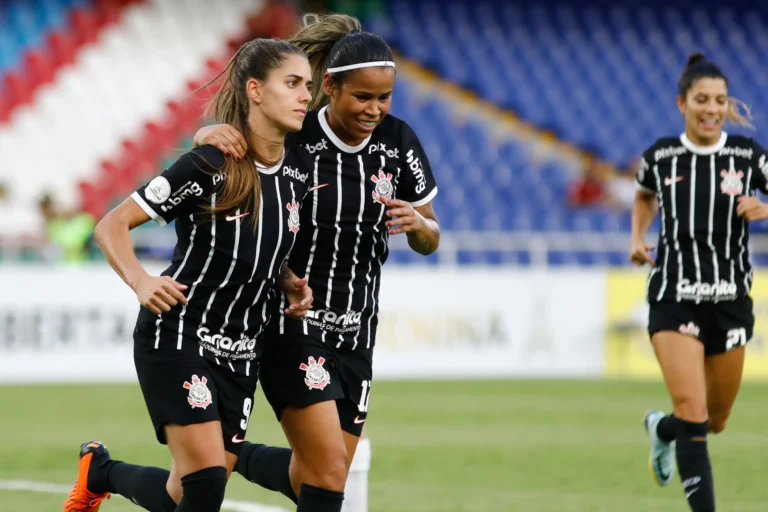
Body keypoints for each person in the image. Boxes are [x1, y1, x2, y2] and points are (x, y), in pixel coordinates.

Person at [194, 13, 440, 512]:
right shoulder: (296, 136)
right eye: (362, 97)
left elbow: (430, 236)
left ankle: (227, 457)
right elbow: (229, 151)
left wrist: (419, 225)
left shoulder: (400, 143)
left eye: (384, 98)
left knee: (321, 477)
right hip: (293, 325)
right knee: (327, 474)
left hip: (358, 329)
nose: (374, 109)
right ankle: (219, 459)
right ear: (329, 86)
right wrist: (207, 137)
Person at [63, 38, 315, 512]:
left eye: (308, 84)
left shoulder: (297, 172)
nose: (306, 94)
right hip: (180, 333)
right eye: (293, 83)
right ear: (256, 91)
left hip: (242, 352)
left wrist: (285, 279)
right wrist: (141, 281)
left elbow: (252, 244)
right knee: (204, 486)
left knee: (182, 492)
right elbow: (110, 225)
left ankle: (101, 471)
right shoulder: (209, 163)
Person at [631, 52, 768, 512]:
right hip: (674, 298)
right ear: (682, 104)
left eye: (720, 100)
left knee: (716, 419)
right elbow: (645, 195)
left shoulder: (748, 157)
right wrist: (637, 236)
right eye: (702, 100)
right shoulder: (662, 156)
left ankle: (661, 430)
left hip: (730, 302)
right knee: (694, 411)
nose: (711, 108)